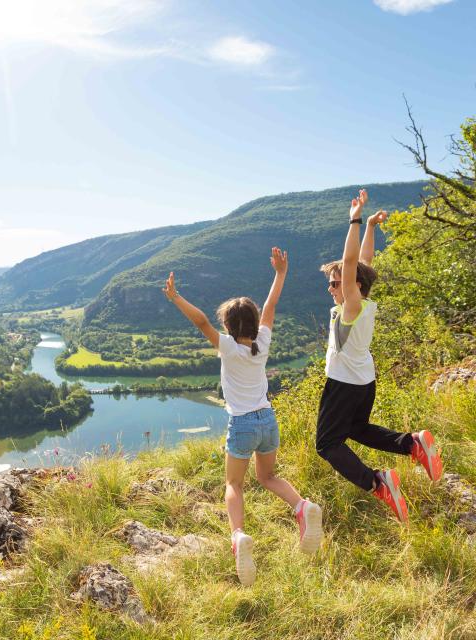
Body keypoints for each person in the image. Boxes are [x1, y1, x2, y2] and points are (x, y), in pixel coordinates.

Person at [163, 247, 323, 587]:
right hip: (268, 418)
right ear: (252, 324)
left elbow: (200, 321)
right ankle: (301, 505)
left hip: (243, 424)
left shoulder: (228, 348)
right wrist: (280, 273)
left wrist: (176, 297)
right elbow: (270, 307)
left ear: (228, 326)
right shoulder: (261, 343)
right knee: (268, 476)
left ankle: (238, 536)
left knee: (234, 484)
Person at [317, 189, 443, 523]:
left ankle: (377, 482)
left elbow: (350, 264)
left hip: (344, 384)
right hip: (363, 381)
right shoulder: (363, 304)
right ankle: (412, 444)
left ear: (353, 285)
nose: (331, 288)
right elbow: (362, 263)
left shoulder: (350, 308)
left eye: (336, 283)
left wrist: (355, 220)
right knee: (356, 428)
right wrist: (372, 227)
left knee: (328, 444)